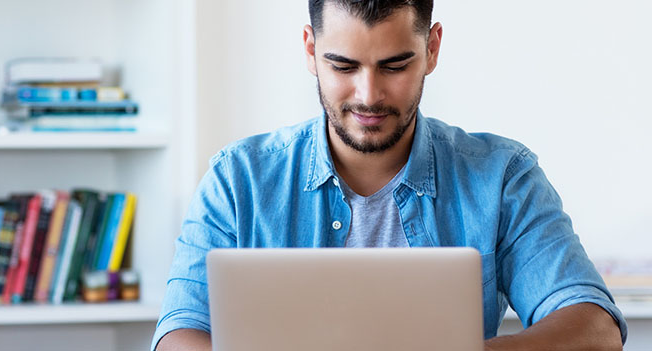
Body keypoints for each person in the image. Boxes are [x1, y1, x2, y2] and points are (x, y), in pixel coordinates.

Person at [152, 1, 627, 350]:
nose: (369, 95)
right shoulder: (238, 179)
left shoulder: (502, 175)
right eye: (342, 65)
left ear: (432, 48)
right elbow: (178, 333)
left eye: (395, 66)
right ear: (310, 50)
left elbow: (595, 327)